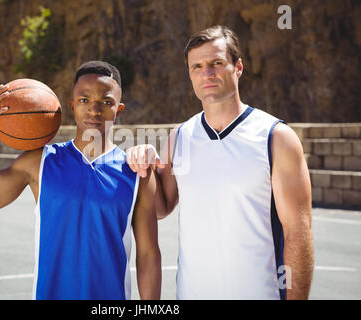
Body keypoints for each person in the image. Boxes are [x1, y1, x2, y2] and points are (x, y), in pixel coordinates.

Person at [127, 26, 314, 300]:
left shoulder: (276, 138)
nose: (207, 73)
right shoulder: (178, 138)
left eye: (216, 63)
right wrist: (142, 163)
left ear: (238, 67)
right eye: (197, 66)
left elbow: (298, 233)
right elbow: (160, 208)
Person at [0, 61, 162, 300]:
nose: (94, 110)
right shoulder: (39, 162)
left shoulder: (137, 173)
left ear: (119, 109)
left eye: (106, 102)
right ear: (72, 106)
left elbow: (148, 255)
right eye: (84, 100)